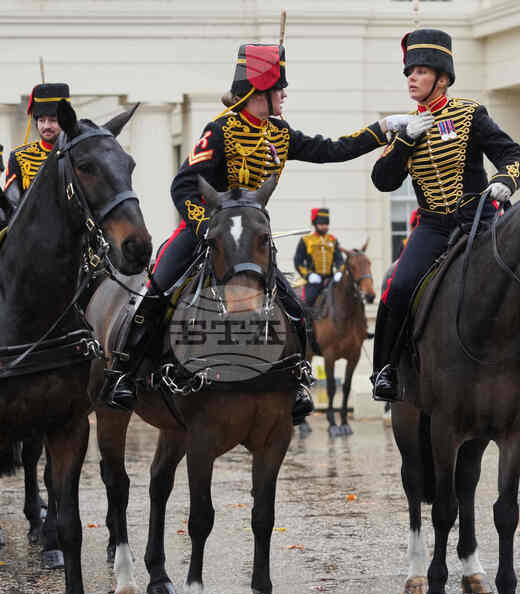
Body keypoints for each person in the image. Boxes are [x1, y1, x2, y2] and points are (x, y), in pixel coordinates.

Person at [101, 42, 401, 420]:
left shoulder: (279, 133)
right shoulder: (220, 129)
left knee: (295, 309)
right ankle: (125, 374)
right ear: (260, 92)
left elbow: (332, 150)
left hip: (251, 243)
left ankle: (297, 380)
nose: (285, 95)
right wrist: (206, 226)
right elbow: (183, 185)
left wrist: (381, 130)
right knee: (156, 291)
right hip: (206, 232)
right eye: (280, 89)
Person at [370, 28, 520, 401]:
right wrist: (406, 139)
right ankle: (385, 370)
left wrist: (506, 180)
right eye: (409, 72)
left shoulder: (470, 114)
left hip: (479, 221)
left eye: (421, 71)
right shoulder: (407, 127)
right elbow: (382, 180)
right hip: (433, 226)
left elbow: (514, 156)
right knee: (397, 287)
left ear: (442, 79)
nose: (411, 77)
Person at [3, 82, 69, 208]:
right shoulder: (19, 157)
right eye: (41, 120)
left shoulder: (79, 151)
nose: (46, 126)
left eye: (53, 120)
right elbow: (12, 205)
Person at [294, 207, 344, 308]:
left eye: (326, 224)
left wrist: (339, 272)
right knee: (308, 302)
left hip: (330, 280)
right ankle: (307, 323)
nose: (324, 227)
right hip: (314, 281)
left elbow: (339, 260)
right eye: (321, 224)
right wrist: (309, 276)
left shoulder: (332, 240)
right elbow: (298, 262)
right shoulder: (306, 240)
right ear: (315, 224)